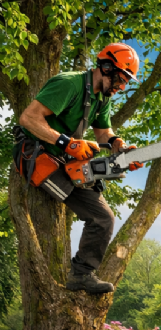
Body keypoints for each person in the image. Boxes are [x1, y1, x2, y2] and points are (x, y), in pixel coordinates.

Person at [13, 42, 145, 294]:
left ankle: (82, 275)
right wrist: (66, 143)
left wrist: (119, 145)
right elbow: (28, 118)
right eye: (121, 78)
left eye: (127, 81)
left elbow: (103, 132)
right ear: (106, 67)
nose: (122, 86)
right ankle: (81, 275)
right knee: (95, 208)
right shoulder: (69, 83)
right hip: (37, 154)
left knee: (103, 217)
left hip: (64, 159)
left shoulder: (101, 97)